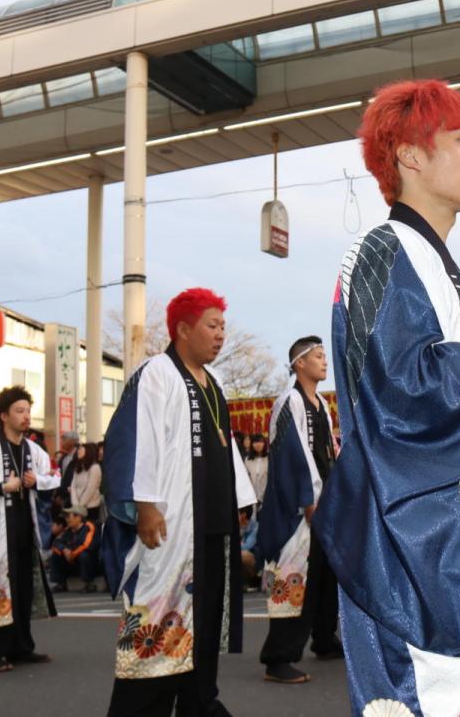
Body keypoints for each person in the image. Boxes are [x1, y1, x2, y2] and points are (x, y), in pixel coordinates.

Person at [313, 79, 460, 715]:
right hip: (431, 546)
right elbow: (394, 396)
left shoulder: (434, 259)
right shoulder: (381, 250)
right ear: (410, 155)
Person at [101, 288, 257, 716]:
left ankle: (199, 703)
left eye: (223, 326)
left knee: (202, 627)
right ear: (183, 330)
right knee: (158, 625)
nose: (221, 334)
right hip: (170, 527)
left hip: (211, 525)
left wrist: (239, 503)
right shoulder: (157, 373)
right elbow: (136, 441)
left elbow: (225, 447)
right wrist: (145, 505)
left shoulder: (215, 382)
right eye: (212, 325)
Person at [259, 336, 342, 686]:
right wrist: (309, 498)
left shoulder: (321, 403)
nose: (325, 362)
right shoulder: (289, 401)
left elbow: (329, 451)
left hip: (324, 502)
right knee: (294, 579)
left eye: (324, 356)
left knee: (325, 575)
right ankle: (278, 657)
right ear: (299, 363)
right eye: (318, 356)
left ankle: (324, 638)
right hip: (298, 508)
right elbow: (290, 454)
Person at [0, 386, 59, 671]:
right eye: (20, 411)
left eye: (28, 411)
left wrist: (38, 482)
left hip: (25, 530)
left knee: (22, 590)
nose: (26, 417)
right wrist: (1, 488)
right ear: (3, 416)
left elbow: (54, 476)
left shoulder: (34, 450)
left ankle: (21, 647)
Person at [51, 504, 97, 593]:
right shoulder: (68, 530)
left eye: (69, 516)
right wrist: (64, 549)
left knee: (84, 555)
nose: (67, 519)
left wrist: (72, 554)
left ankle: (89, 584)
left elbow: (86, 545)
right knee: (56, 554)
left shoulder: (89, 527)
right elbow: (56, 542)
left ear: (79, 517)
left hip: (90, 561)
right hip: (73, 560)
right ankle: (61, 584)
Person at [69, 442, 103, 525]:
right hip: (76, 507)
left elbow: (90, 489)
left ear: (88, 452)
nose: (78, 451)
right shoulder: (78, 468)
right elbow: (73, 486)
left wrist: (80, 506)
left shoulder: (95, 468)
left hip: (90, 507)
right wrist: (75, 504)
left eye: (81, 449)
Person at [244, 434, 269, 505]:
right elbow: (246, 477)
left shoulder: (269, 458)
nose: (258, 444)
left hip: (266, 495)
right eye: (255, 442)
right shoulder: (248, 459)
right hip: (251, 496)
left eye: (260, 442)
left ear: (264, 444)